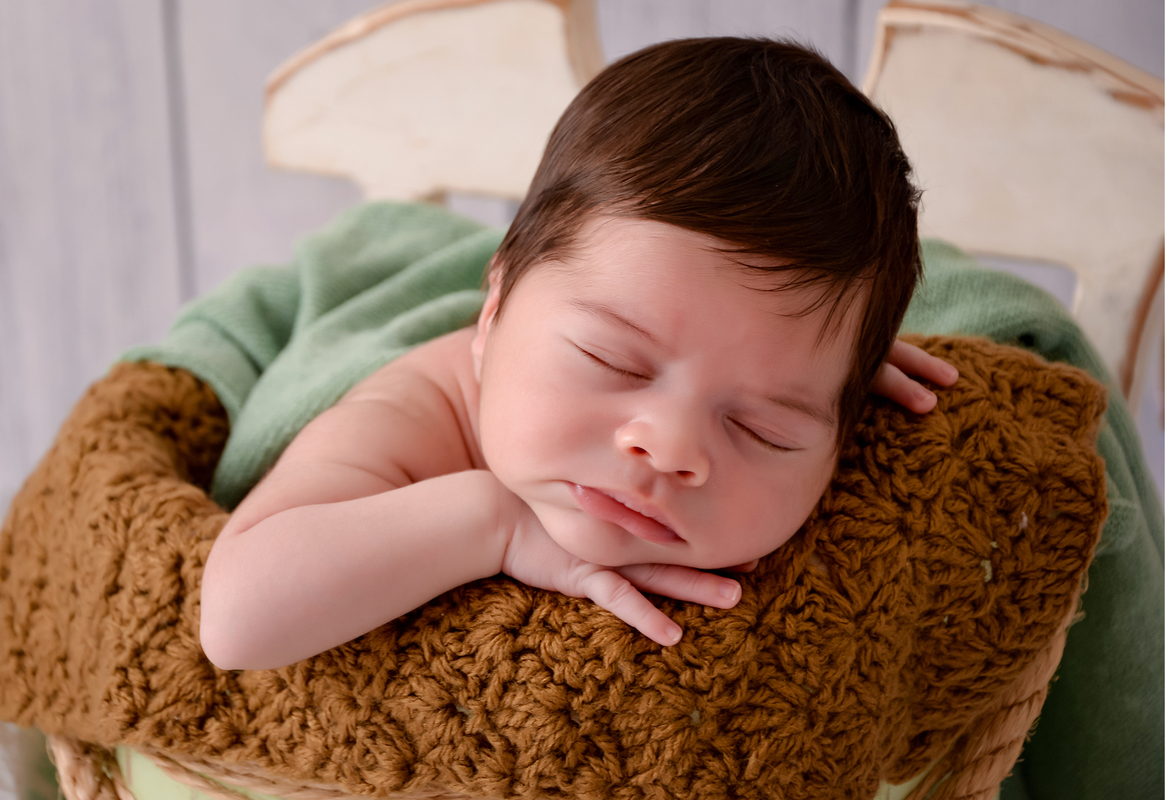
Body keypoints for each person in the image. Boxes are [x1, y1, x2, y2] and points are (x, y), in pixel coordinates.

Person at [199, 37, 957, 670]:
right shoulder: (410, 417)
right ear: (493, 313)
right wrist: (493, 522)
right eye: (614, 363)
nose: (670, 449)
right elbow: (236, 618)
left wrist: (824, 371)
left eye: (763, 427)